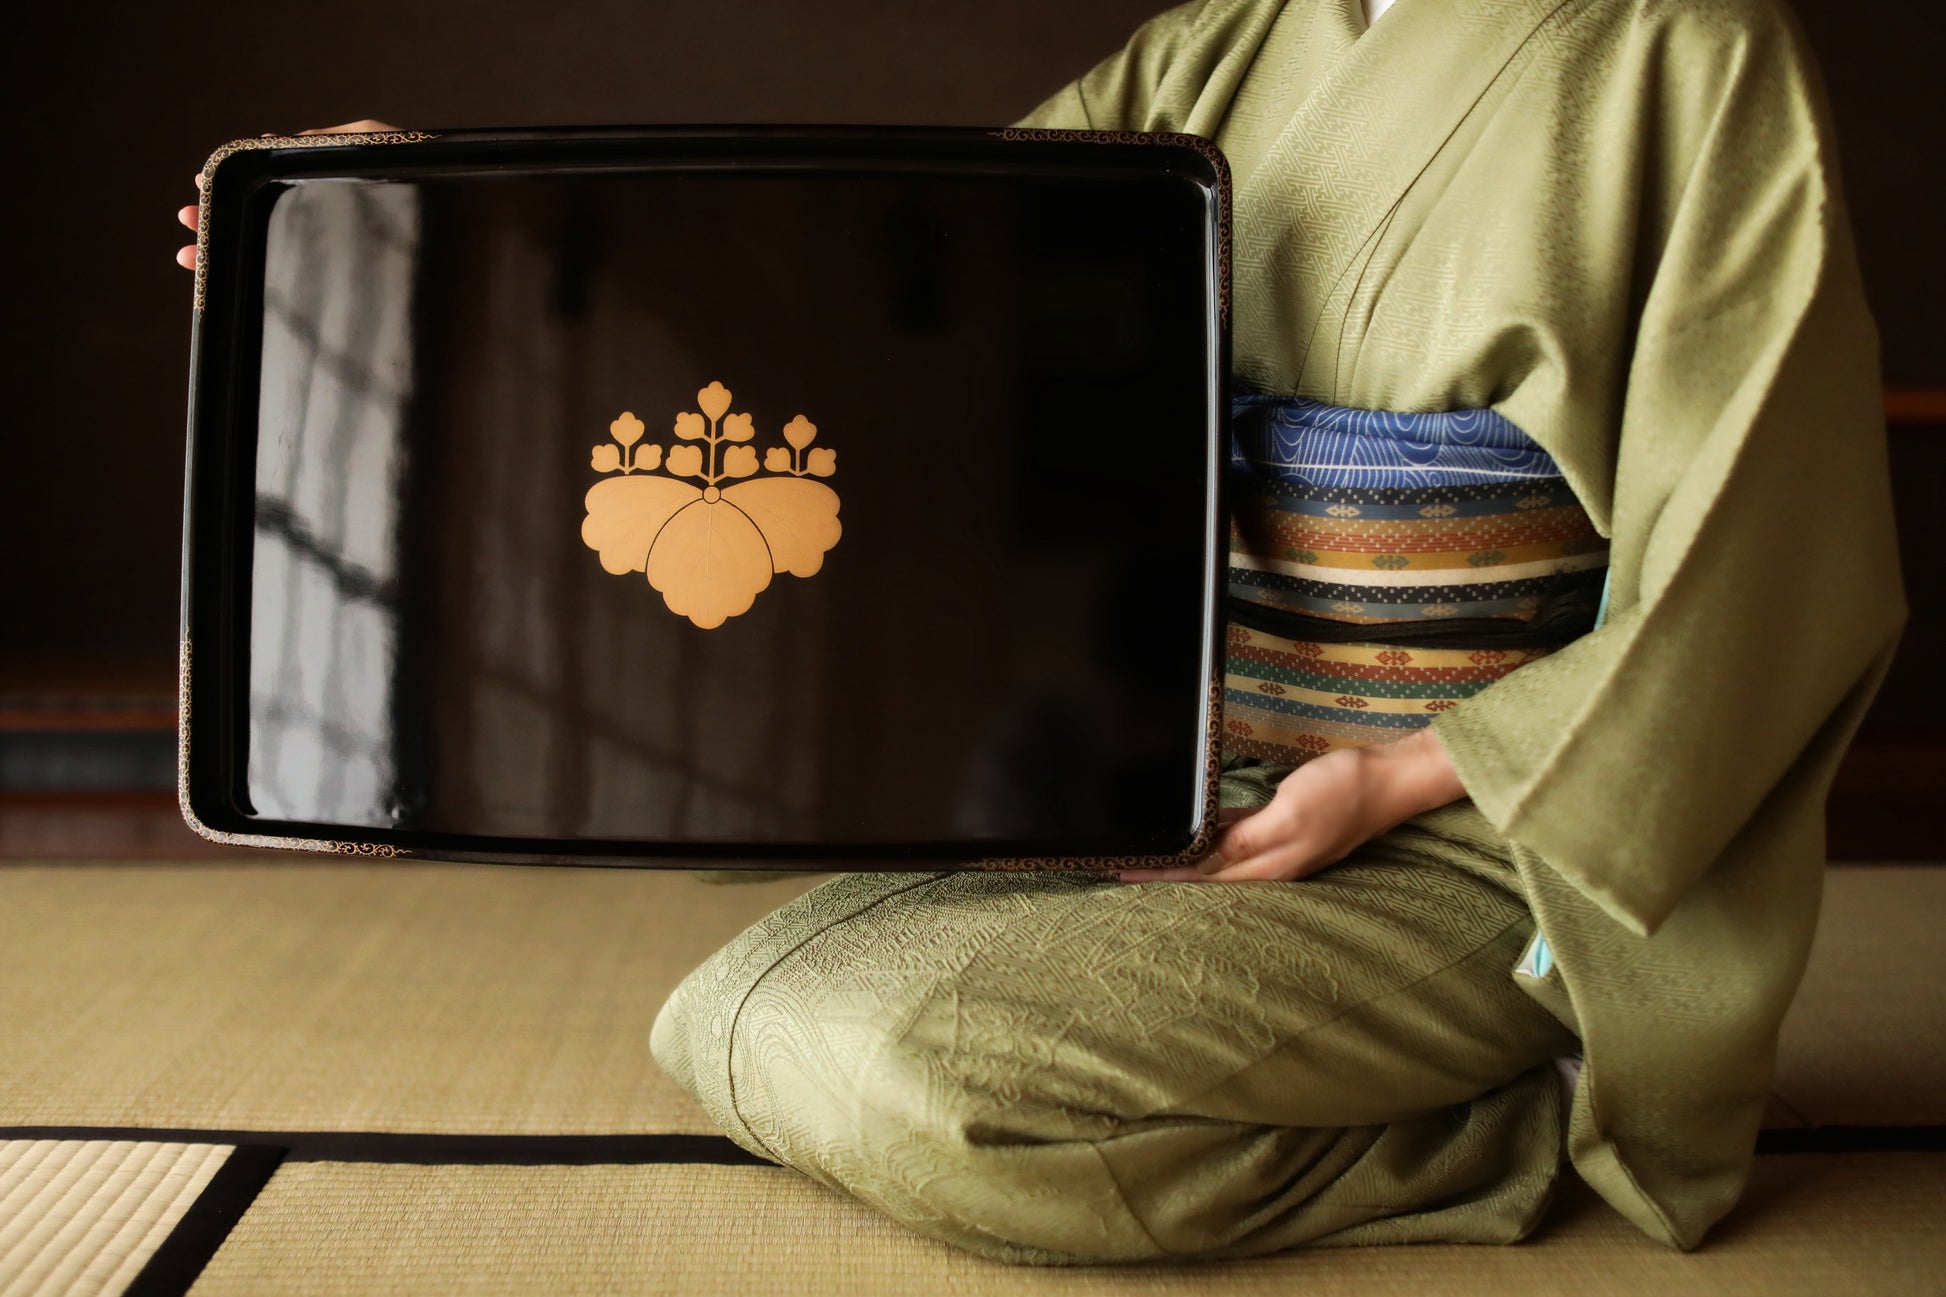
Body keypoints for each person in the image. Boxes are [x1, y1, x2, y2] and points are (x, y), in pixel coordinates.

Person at [180, 0, 1904, 1264]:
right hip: (1200, 795)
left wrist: (1381, 782)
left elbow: (1769, 566)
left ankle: (1530, 1102)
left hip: (1483, 840)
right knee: (728, 1011)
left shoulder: (1686, 53)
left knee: (906, 1064)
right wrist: (432, 222)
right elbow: (879, 305)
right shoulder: (1218, 57)